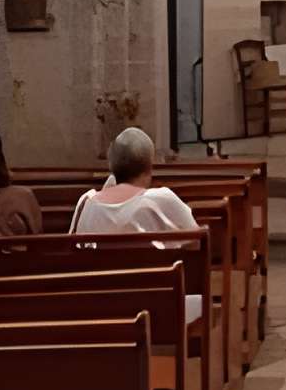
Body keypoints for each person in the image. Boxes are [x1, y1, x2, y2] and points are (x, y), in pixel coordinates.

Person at [72, 128, 202, 321]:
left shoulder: (89, 205)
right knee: (203, 302)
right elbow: (196, 243)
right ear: (150, 166)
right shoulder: (162, 200)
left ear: (112, 166)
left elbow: (77, 255)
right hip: (157, 313)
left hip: (103, 313)